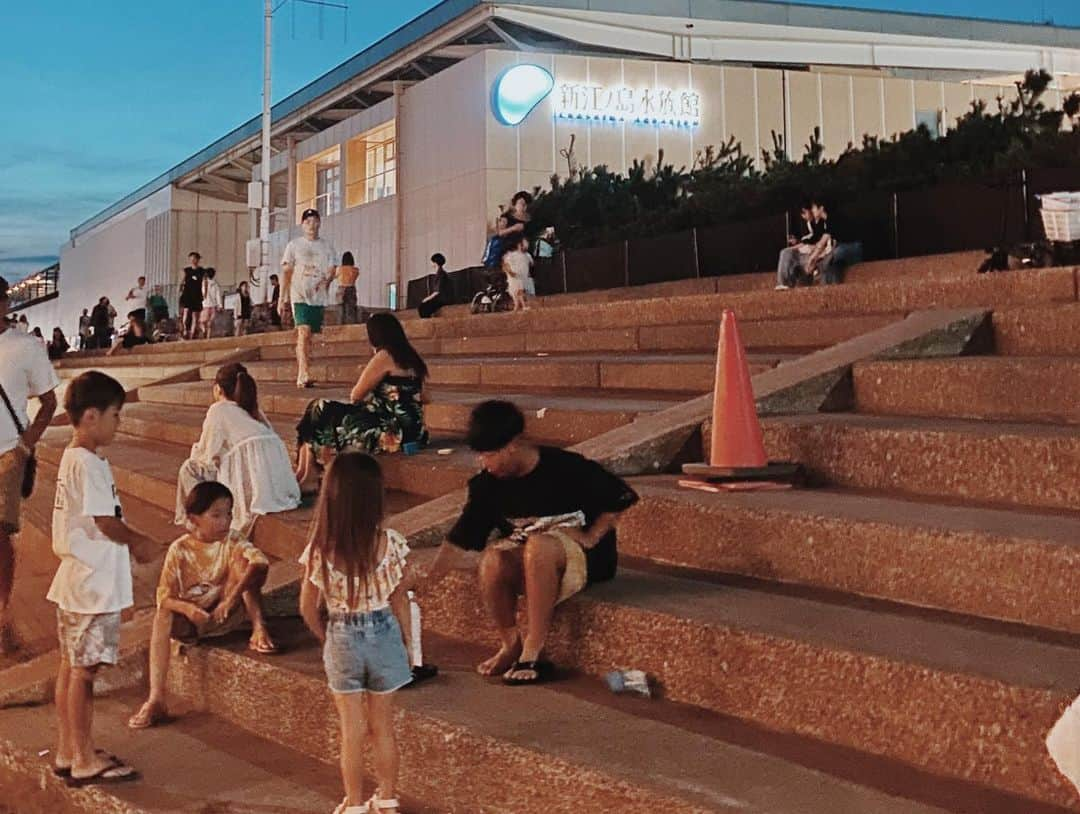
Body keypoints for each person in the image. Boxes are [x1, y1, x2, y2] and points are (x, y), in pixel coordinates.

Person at [419, 400, 638, 685]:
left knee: (539, 546)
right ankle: (510, 643)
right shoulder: (487, 484)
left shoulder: (565, 467)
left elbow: (621, 496)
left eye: (489, 455)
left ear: (511, 445)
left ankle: (534, 649)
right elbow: (464, 534)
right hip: (529, 560)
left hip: (582, 558)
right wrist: (429, 579)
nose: (483, 463)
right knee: (492, 559)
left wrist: (592, 535)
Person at [47, 371, 156, 784]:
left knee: (70, 666)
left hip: (76, 580)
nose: (118, 422)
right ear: (91, 416)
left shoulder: (75, 457)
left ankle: (68, 749)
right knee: (84, 674)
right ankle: (84, 757)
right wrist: (140, 543)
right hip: (90, 587)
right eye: (115, 415)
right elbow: (105, 522)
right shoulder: (88, 462)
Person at [298, 453, 410, 814]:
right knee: (383, 726)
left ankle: (356, 803)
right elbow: (400, 600)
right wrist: (406, 643)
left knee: (352, 730)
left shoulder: (320, 550)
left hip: (342, 635)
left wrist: (326, 637)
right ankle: (389, 798)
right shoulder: (390, 543)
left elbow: (307, 607)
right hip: (384, 631)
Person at [129, 481, 276, 730]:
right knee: (163, 614)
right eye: (216, 515)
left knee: (246, 563)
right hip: (195, 622)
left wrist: (230, 600)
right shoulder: (180, 549)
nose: (225, 521)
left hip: (228, 612)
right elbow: (163, 597)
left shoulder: (232, 540)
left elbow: (260, 563)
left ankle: (259, 628)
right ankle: (156, 699)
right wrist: (189, 610)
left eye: (228, 514)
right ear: (194, 519)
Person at [295, 313, 427, 493]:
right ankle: (305, 472)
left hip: (393, 429)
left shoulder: (385, 356)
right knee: (317, 409)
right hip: (413, 430)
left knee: (319, 408)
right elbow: (425, 397)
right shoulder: (412, 358)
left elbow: (356, 394)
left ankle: (307, 474)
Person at [0, 277, 59, 653]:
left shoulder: (25, 346)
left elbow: (49, 403)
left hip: (7, 452)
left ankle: (2, 615)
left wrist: (25, 446)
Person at [175, 363, 300, 533]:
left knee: (189, 469)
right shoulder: (251, 409)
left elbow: (205, 457)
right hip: (277, 488)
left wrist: (202, 452)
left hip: (250, 488)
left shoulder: (219, 410)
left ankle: (198, 523)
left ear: (218, 389)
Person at [280, 209, 337, 388]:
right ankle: (302, 374)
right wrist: (282, 297)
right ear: (302, 224)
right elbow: (287, 272)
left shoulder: (327, 246)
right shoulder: (294, 245)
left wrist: (326, 281)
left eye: (315, 221)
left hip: (318, 297)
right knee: (303, 332)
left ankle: (305, 370)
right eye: (308, 221)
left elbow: (332, 269)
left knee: (309, 336)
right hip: (299, 294)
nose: (312, 225)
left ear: (319, 223)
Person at [813, 199, 863, 285]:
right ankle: (826, 287)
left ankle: (835, 287)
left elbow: (822, 243)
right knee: (830, 262)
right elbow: (834, 242)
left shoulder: (832, 218)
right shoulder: (827, 221)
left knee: (834, 256)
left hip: (853, 247)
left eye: (814, 208)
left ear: (821, 208)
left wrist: (811, 260)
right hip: (845, 247)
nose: (812, 210)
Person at [775, 203, 820, 290]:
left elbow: (816, 241)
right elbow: (807, 241)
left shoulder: (820, 222)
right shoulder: (810, 224)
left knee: (787, 252)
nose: (805, 216)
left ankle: (812, 274)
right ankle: (783, 283)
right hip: (805, 252)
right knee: (785, 252)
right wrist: (797, 243)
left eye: (805, 213)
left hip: (813, 254)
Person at [502, 235, 533, 311]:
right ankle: (523, 306)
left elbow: (530, 264)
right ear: (519, 245)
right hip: (514, 277)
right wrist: (510, 272)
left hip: (523, 278)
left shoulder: (527, 255)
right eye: (525, 243)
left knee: (519, 293)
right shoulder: (511, 255)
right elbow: (505, 265)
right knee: (518, 291)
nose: (527, 245)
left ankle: (519, 306)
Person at [418, 253, 453, 319]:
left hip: (443, 299)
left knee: (422, 307)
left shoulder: (441, 274)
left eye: (432, 262)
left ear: (435, 263)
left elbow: (437, 292)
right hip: (442, 298)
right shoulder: (440, 273)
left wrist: (426, 299)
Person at [180, 252, 206, 340]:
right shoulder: (186, 270)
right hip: (187, 294)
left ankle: (192, 333)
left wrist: (204, 293)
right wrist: (180, 288)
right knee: (186, 312)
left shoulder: (202, 271)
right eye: (191, 259)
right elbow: (182, 280)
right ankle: (184, 330)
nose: (193, 260)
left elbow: (204, 282)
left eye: (194, 259)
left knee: (195, 315)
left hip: (197, 294)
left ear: (198, 260)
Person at [199, 268, 223, 339]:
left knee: (201, 322)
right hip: (213, 306)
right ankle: (208, 338)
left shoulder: (203, 283)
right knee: (210, 323)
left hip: (204, 305)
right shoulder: (215, 284)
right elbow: (218, 295)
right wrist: (220, 305)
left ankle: (203, 330)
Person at [338, 251, 359, 325]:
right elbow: (356, 276)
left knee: (340, 309)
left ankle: (340, 326)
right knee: (351, 310)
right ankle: (351, 326)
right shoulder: (355, 270)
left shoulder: (339, 269)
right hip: (351, 288)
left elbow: (335, 275)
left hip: (341, 289)